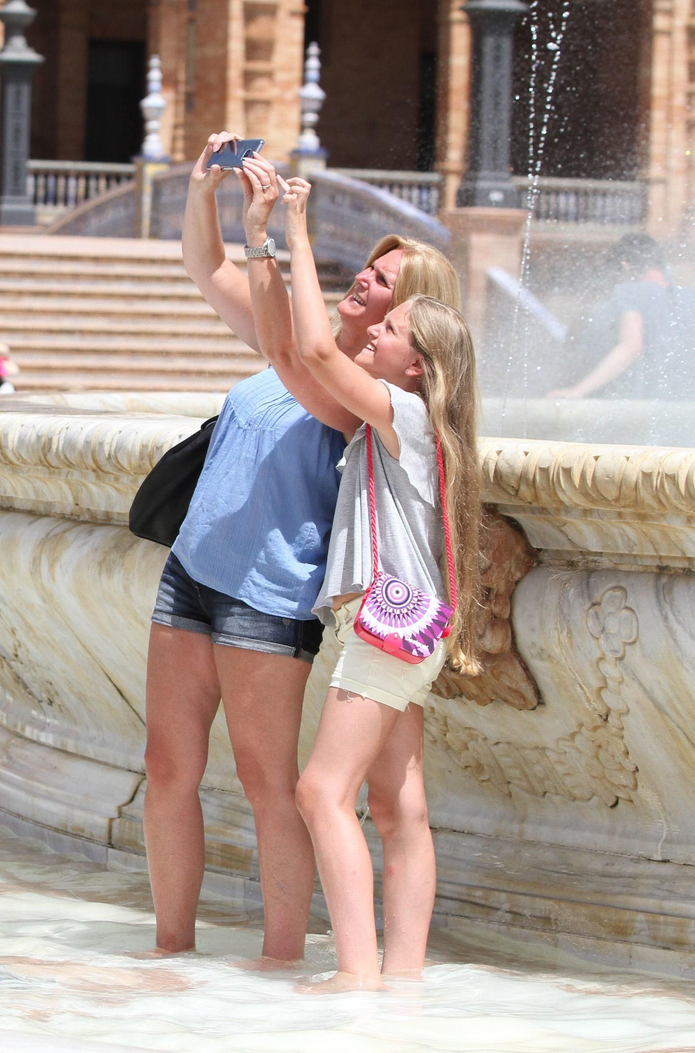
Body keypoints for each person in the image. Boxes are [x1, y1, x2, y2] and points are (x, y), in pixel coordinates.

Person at [143, 132, 459, 965]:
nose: (366, 277)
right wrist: (204, 189)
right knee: (166, 764)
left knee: (272, 784)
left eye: (384, 279)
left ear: (410, 316)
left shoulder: (366, 399)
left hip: (270, 594)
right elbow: (206, 273)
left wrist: (274, 240)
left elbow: (298, 351)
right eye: (370, 267)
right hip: (192, 571)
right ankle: (170, 951)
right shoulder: (301, 341)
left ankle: (283, 957)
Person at [280, 174, 483, 992]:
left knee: (320, 792)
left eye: (391, 327)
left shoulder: (400, 415)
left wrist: (297, 230)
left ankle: (357, 975)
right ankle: (403, 977)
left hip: (384, 621)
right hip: (409, 626)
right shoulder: (426, 428)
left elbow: (318, 351)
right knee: (400, 810)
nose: (375, 329)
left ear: (416, 364)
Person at [549, 232, 695, 400]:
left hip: (648, 414)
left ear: (625, 265)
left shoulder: (629, 292)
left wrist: (578, 391)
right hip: (691, 412)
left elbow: (631, 347)